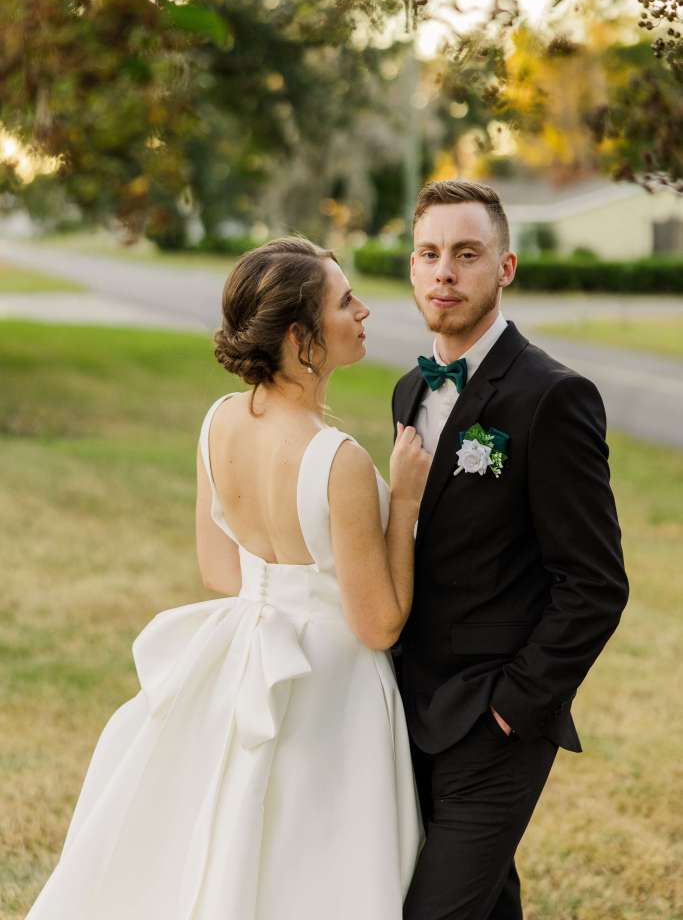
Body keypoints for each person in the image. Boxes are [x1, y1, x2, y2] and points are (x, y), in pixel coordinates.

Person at [25, 236, 429, 920]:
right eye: (345, 302)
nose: (363, 311)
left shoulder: (217, 422)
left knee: (236, 833)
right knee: (314, 864)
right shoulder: (339, 461)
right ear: (301, 337)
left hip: (244, 654)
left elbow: (219, 570)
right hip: (330, 685)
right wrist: (408, 502)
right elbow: (378, 624)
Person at [392, 180, 630, 920]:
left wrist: (513, 707)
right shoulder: (407, 391)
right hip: (408, 708)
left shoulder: (552, 396)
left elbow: (594, 583)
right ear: (411, 266)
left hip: (492, 719)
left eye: (467, 254)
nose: (444, 272)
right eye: (429, 254)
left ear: (505, 268)